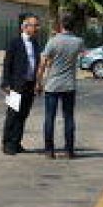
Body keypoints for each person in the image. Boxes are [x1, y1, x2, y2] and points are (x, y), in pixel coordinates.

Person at [35, 13, 85, 159]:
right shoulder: (78, 42)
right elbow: (82, 55)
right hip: (69, 85)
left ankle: (49, 150)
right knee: (69, 118)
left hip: (52, 85)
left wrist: (39, 82)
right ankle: (69, 150)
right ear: (74, 26)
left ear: (61, 25)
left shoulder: (53, 41)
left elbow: (43, 63)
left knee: (49, 118)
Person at [0, 14, 42, 155]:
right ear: (25, 27)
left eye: (37, 25)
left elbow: (37, 64)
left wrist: (37, 83)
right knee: (12, 115)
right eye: (34, 25)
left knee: (23, 115)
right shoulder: (15, 42)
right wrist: (5, 83)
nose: (37, 28)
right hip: (15, 85)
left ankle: (16, 142)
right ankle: (7, 144)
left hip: (29, 85)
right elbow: (7, 63)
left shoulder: (35, 43)